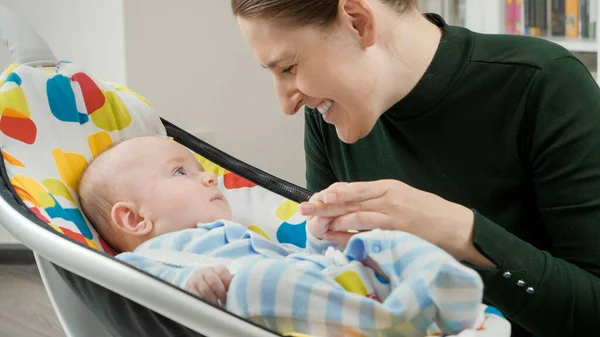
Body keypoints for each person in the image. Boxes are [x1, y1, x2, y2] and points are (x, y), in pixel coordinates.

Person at [230, 0, 600, 336]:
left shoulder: (542, 84)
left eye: (289, 68)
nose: (286, 103)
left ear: (358, 23)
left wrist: (463, 234)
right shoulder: (326, 117)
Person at [76, 135, 507, 337]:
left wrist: (322, 238)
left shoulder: (238, 230)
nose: (209, 179)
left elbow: (295, 257)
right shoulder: (148, 258)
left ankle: (450, 298)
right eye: (180, 172)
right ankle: (398, 321)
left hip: (322, 280)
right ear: (134, 220)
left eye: (201, 169)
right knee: (258, 281)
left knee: (382, 242)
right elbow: (139, 290)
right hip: (254, 298)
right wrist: (188, 285)